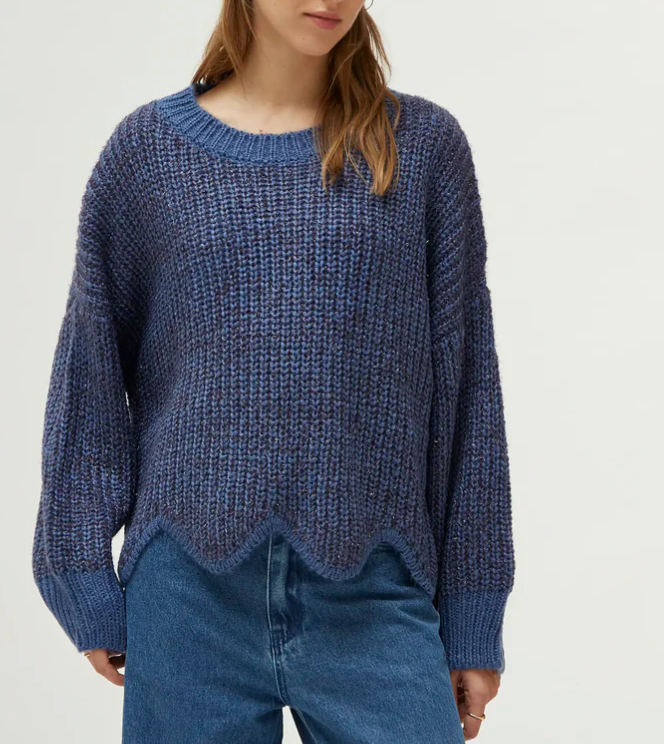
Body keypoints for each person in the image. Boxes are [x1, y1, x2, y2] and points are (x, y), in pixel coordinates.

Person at [31, 1, 516, 741]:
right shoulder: (147, 155)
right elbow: (90, 379)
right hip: (186, 600)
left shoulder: (421, 148)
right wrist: (77, 570)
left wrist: (475, 613)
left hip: (374, 591)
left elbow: (468, 387)